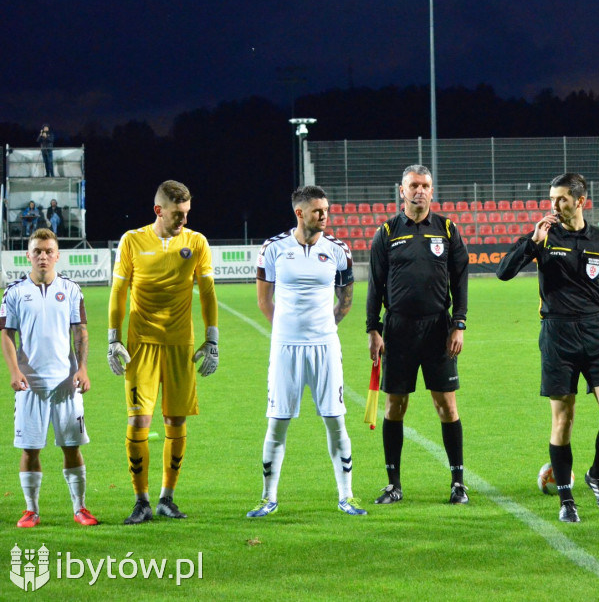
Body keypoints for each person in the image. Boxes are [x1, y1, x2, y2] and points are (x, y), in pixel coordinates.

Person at [496, 173, 599, 523]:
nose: (554, 205)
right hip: (557, 334)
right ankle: (566, 499)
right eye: (552, 198)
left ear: (580, 201)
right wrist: (532, 241)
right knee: (563, 419)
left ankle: (596, 474)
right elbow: (503, 272)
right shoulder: (544, 236)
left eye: (562, 199)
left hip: (596, 334)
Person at [247, 186, 366, 518]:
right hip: (285, 348)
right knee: (278, 423)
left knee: (335, 420)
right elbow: (263, 301)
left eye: (326, 209)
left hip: (325, 346)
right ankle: (268, 497)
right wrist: (287, 330)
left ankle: (347, 496)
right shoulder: (273, 249)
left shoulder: (339, 250)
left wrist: (324, 330)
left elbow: (345, 301)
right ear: (299, 213)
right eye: (317, 210)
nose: (324, 215)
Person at [107, 180, 219, 524]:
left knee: (176, 420)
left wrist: (211, 339)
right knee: (138, 421)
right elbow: (118, 293)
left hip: (180, 345)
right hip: (141, 345)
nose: (183, 219)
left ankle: (166, 499)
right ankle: (140, 500)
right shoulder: (132, 240)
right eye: (177, 214)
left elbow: (208, 292)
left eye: (186, 213)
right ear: (159, 210)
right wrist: (113, 339)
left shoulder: (196, 242)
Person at [366, 165, 469, 505]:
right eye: (414, 185)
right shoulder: (387, 231)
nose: (420, 191)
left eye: (425, 185)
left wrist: (459, 323)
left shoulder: (448, 229)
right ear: (402, 190)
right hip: (398, 329)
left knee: (446, 406)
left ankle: (458, 483)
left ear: (432, 190)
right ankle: (393, 484)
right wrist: (373, 329)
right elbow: (375, 285)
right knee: (396, 405)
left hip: (438, 329)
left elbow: (460, 279)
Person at [1, 229, 98, 527]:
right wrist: (14, 372)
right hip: (30, 384)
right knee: (30, 448)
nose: (43, 256)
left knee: (72, 446)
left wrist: (82, 369)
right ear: (28, 256)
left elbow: (80, 331)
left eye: (48, 251)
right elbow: (6, 334)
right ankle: (31, 510)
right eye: (37, 251)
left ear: (57, 255)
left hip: (66, 383)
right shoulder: (14, 292)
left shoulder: (70, 289)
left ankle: (80, 508)